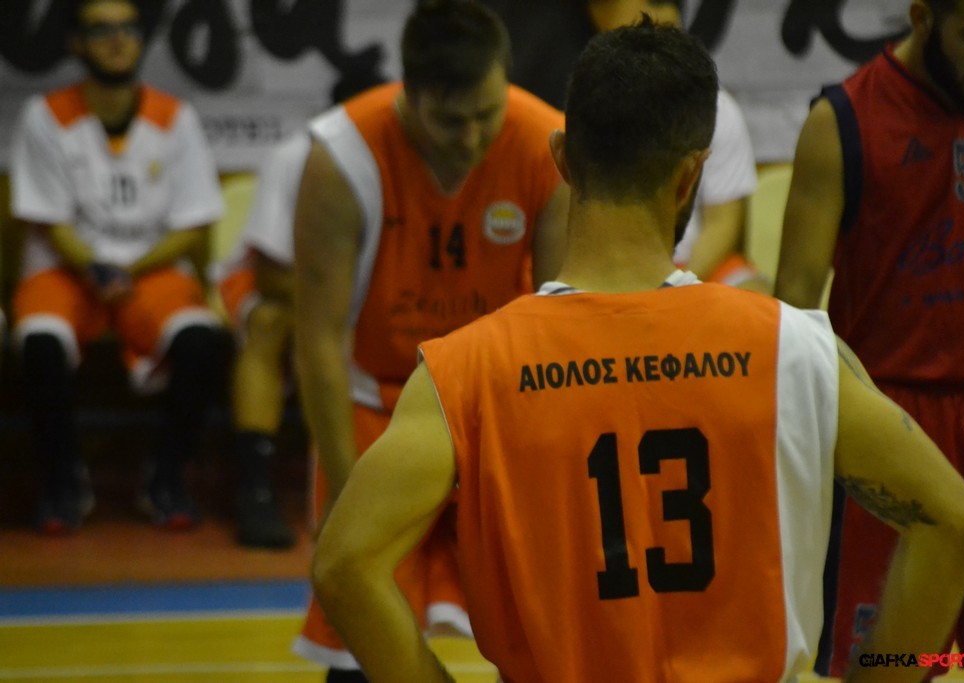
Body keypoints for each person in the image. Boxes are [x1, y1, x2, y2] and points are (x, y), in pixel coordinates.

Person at [309, 20, 964, 683]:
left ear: (561, 159)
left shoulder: (466, 370)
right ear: (691, 177)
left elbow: (343, 564)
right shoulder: (796, 348)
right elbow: (955, 523)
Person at [291, 0, 569, 679]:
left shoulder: (548, 143)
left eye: (487, 114)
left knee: (541, 621)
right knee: (357, 618)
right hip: (379, 403)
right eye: (451, 120)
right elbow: (319, 340)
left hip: (493, 405)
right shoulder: (341, 156)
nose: (471, 137)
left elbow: (560, 323)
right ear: (408, 95)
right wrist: (343, 495)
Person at [774, 0, 964, 676]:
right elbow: (793, 306)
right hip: (895, 422)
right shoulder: (842, 122)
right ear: (921, 16)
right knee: (891, 665)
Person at [8, 0, 224, 534]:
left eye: (127, 27)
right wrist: (96, 268)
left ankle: (164, 478)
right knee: (39, 342)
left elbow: (192, 224)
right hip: (66, 267)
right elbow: (50, 220)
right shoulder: (46, 115)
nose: (117, 39)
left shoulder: (175, 116)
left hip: (149, 267)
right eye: (101, 29)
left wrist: (130, 269)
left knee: (201, 339)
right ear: (76, 43)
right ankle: (63, 483)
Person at [482, 0, 769, 293]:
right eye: (639, 27)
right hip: (600, 266)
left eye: (662, 28)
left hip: (691, 267)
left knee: (753, 290)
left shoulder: (717, 109)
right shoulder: (580, 103)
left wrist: (677, 284)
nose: (651, 35)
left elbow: (723, 221)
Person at [217, 132, 311, 550]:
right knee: (270, 322)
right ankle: (255, 487)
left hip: (363, 289)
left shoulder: (431, 155)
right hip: (279, 284)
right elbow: (272, 277)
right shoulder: (297, 156)